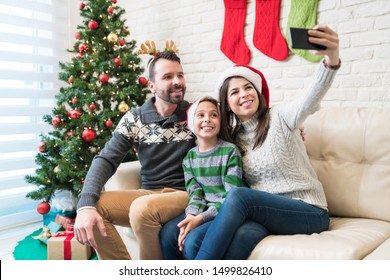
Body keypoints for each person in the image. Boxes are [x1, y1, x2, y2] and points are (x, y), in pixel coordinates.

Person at [188, 24, 340, 260]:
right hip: (264, 214)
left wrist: (331, 59)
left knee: (238, 196)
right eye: (234, 92)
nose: (244, 94)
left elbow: (311, 97)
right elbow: (202, 136)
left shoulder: (282, 116)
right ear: (227, 104)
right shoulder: (233, 140)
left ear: (257, 93)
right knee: (196, 240)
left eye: (248, 88)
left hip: (308, 211)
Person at [73, 50, 197, 260]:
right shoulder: (135, 119)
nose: (177, 81)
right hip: (148, 195)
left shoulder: (194, 114)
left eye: (180, 75)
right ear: (152, 86)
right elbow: (106, 159)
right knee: (95, 208)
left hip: (183, 195)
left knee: (142, 207)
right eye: (168, 77)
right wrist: (84, 206)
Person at [160, 96, 249, 259]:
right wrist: (191, 216)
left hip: (226, 211)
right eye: (200, 115)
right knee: (167, 235)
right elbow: (195, 194)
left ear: (220, 121)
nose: (207, 119)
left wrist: (201, 218)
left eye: (214, 115)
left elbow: (232, 196)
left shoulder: (230, 151)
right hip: (203, 211)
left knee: (193, 241)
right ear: (191, 123)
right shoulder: (189, 158)